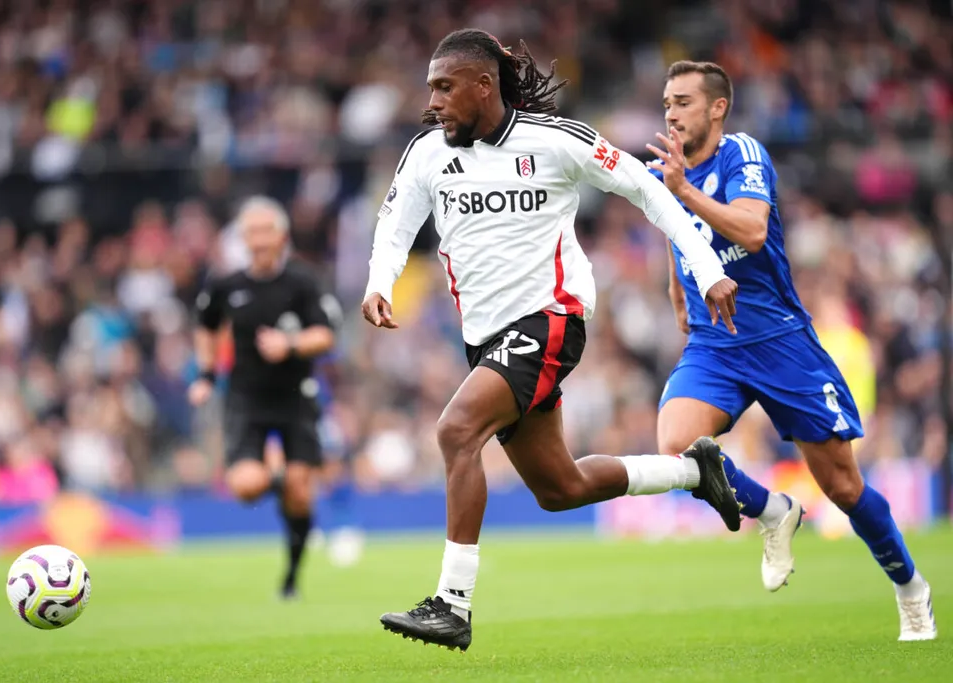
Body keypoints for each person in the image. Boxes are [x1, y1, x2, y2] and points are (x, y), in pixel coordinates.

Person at [362, 29, 741, 652]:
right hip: (486, 339)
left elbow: (648, 190)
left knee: (457, 430)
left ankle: (451, 604)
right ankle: (692, 472)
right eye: (430, 87)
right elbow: (395, 222)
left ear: (484, 86)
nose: (431, 101)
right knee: (559, 489)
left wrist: (708, 270)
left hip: (551, 320)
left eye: (444, 87)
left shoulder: (556, 141)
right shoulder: (428, 151)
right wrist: (381, 281)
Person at [648, 60, 936, 641]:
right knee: (676, 446)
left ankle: (910, 588)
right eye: (666, 104)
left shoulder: (742, 155)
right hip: (715, 344)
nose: (671, 113)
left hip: (779, 340)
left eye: (682, 102)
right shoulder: (668, 174)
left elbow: (751, 232)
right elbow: (677, 236)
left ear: (716, 108)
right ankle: (773, 512)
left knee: (843, 487)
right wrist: (678, 292)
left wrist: (680, 191)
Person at [190, 197, 340, 599]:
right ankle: (283, 478)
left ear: (281, 236)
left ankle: (291, 577)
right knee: (244, 486)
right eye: (251, 232)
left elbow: (325, 334)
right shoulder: (227, 285)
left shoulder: (303, 281)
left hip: (296, 397)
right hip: (247, 399)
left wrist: (290, 344)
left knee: (300, 491)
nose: (258, 240)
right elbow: (205, 326)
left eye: (265, 231)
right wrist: (206, 373)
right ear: (242, 238)